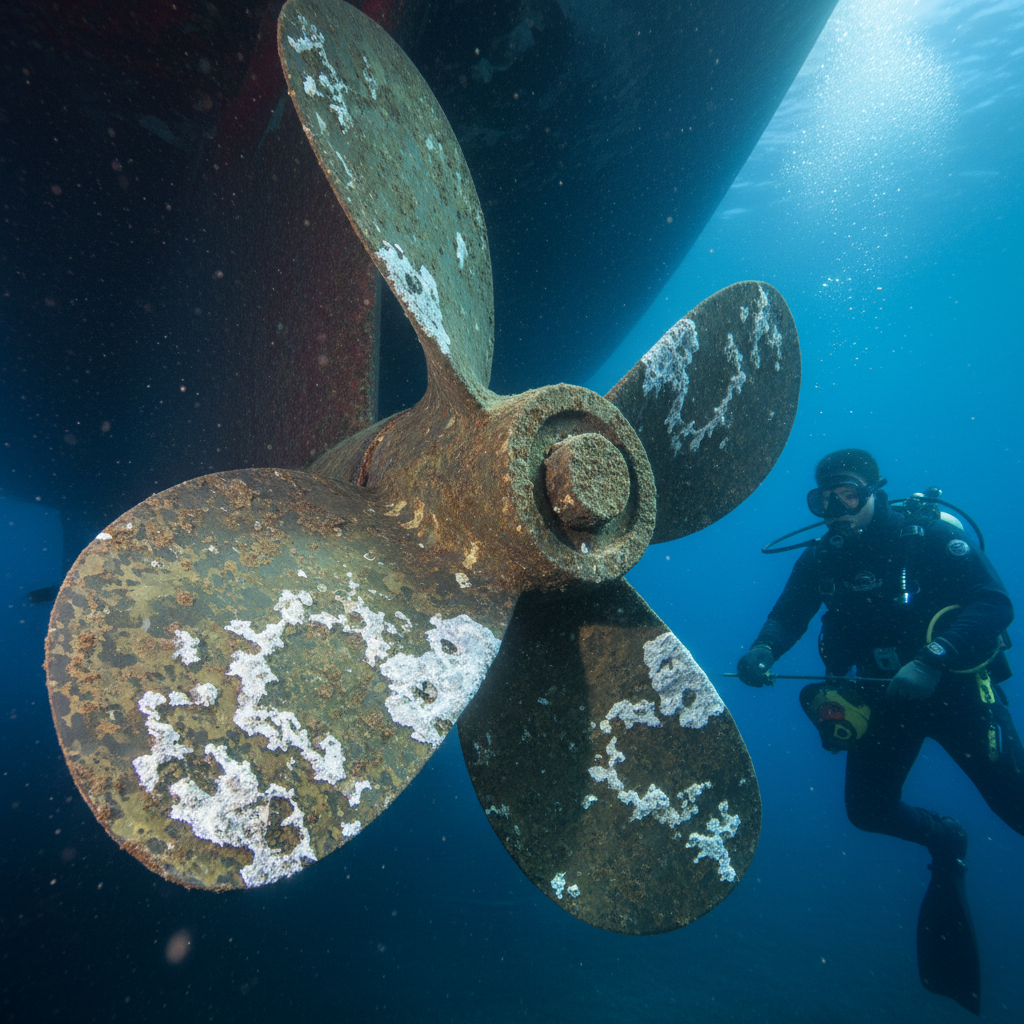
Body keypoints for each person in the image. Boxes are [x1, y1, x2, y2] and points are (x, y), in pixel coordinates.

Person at [736, 448, 1021, 1014]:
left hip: (959, 692)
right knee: (867, 811)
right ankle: (945, 838)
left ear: (873, 490)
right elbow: (790, 611)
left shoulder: (930, 535)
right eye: (824, 499)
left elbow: (994, 604)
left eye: (847, 494)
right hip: (883, 702)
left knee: (1017, 808)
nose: (835, 508)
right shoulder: (822, 557)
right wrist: (763, 649)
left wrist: (936, 656)